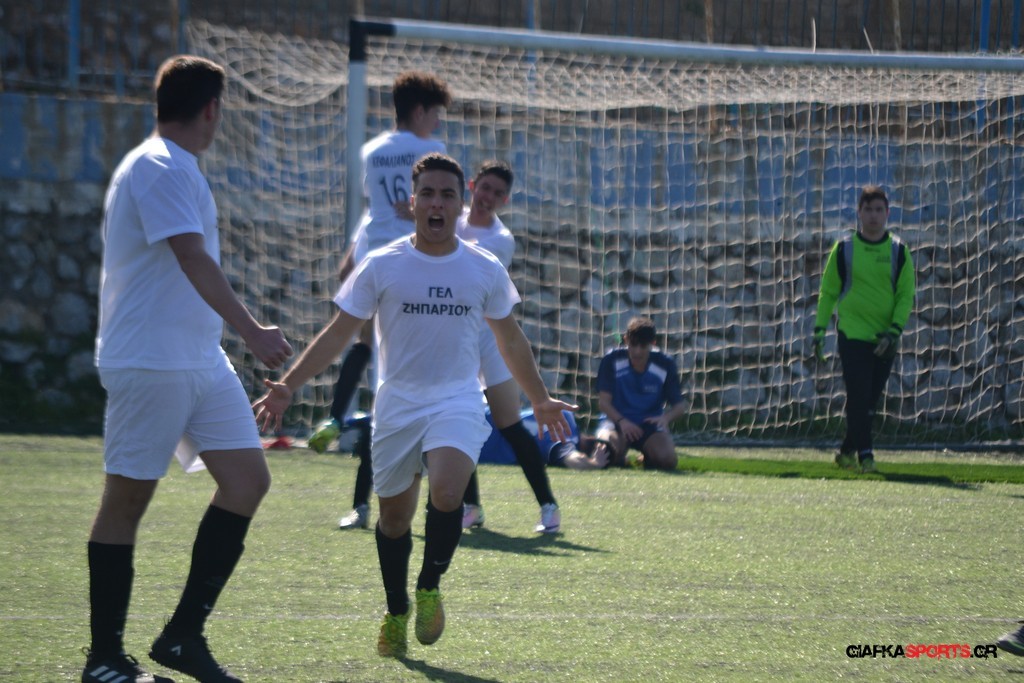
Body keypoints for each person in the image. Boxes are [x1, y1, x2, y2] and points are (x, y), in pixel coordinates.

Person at [253, 153, 576, 659]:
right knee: (394, 521)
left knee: (447, 491)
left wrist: (539, 398)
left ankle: (429, 588)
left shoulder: (483, 267)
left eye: (447, 195)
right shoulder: (383, 264)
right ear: (413, 201)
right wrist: (288, 385)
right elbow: (337, 334)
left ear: (460, 205)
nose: (437, 203)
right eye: (428, 193)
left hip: (457, 400)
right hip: (397, 406)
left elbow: (510, 339)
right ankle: (396, 608)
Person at [83, 55, 293, 683]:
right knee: (126, 501)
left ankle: (180, 638)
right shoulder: (159, 165)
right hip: (151, 361)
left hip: (198, 359)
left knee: (247, 481)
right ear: (211, 109)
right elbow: (191, 257)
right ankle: (103, 660)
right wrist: (253, 331)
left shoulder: (176, 165)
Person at [310, 71, 452, 532]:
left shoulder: (371, 150)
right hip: (412, 269)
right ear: (419, 111)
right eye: (435, 113)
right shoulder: (431, 153)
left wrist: (351, 255)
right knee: (417, 386)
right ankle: (450, 500)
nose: (437, 122)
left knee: (372, 361)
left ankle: (339, 427)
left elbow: (372, 212)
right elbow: (441, 213)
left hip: (373, 264)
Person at [454, 160, 561, 533]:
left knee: (509, 424)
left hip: (490, 341)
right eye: (485, 188)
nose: (489, 197)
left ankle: (548, 506)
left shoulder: (501, 240)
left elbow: (461, 269)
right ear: (472, 186)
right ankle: (471, 506)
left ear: (505, 200)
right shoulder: (451, 220)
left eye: (498, 194)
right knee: (461, 422)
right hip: (457, 341)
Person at [813, 185, 915, 474]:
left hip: (885, 338)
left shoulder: (899, 251)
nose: (873, 215)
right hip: (852, 334)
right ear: (859, 212)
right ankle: (866, 455)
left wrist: (894, 331)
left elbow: (905, 295)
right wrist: (819, 329)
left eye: (879, 210)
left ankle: (846, 451)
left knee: (869, 401)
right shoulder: (844, 249)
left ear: (887, 213)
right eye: (868, 209)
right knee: (858, 396)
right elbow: (828, 292)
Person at [596, 317, 687, 471]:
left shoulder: (665, 364)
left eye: (643, 346)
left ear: (653, 343)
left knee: (667, 460)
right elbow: (603, 403)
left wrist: (665, 418)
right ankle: (621, 457)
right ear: (626, 340)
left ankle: (647, 456)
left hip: (649, 425)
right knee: (606, 454)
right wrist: (623, 422)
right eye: (633, 344)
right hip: (617, 422)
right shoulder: (611, 359)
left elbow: (680, 406)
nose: (637, 351)